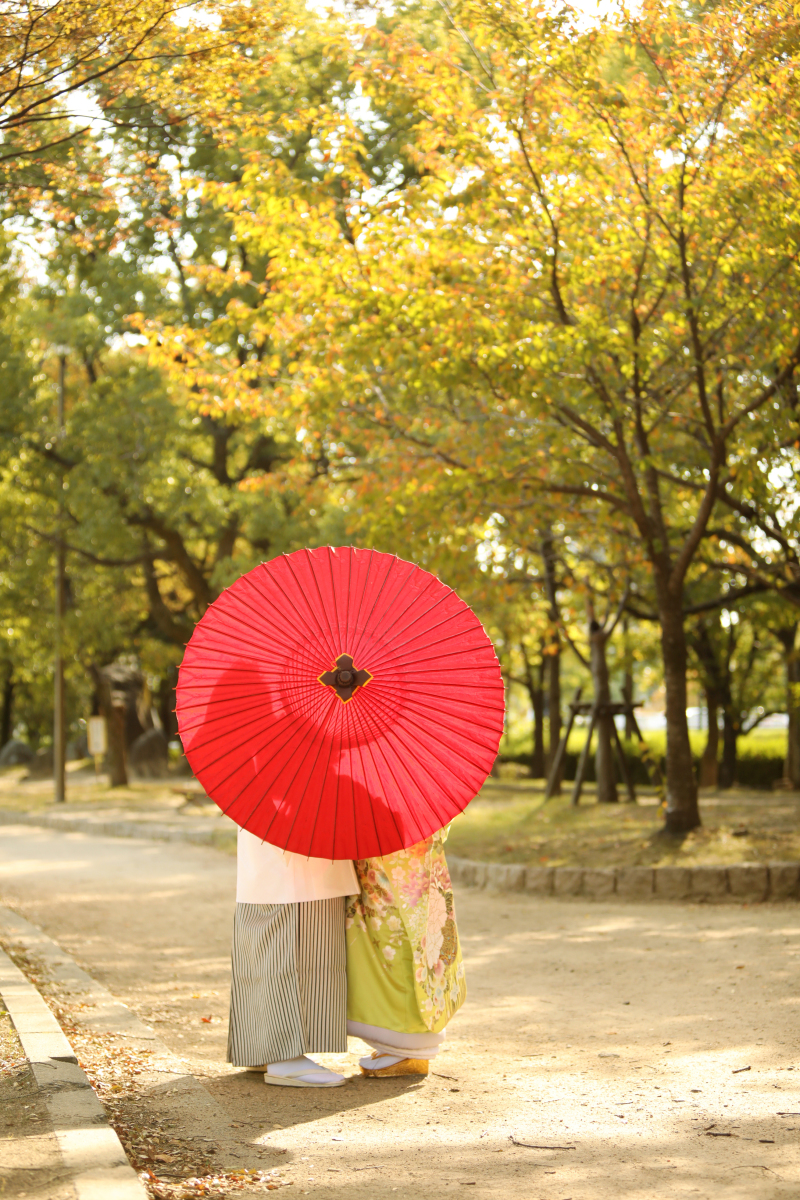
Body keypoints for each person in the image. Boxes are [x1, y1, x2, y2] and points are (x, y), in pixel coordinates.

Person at [227, 827, 358, 1088]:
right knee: (293, 949)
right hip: (298, 849)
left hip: (283, 846)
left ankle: (261, 1048)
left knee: (266, 946)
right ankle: (284, 1056)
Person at [345, 827, 466, 1077]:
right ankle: (405, 1041)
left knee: (393, 938)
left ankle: (404, 1041)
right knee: (406, 939)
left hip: (391, 848)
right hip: (414, 843)